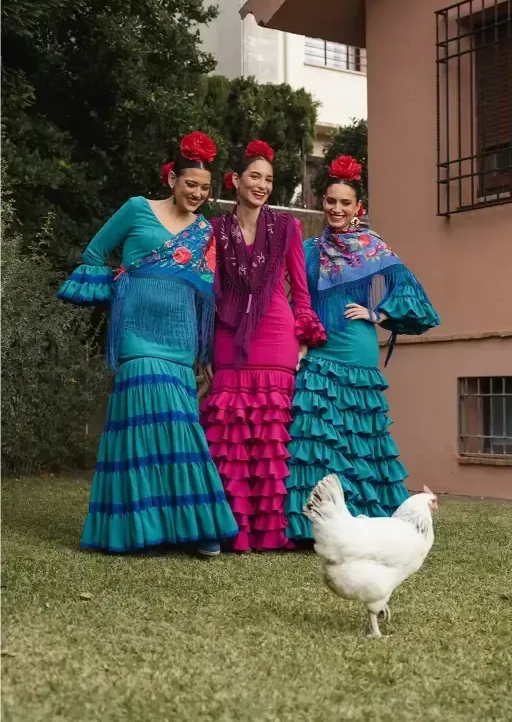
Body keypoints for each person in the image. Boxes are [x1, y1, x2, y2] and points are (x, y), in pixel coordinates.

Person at [58, 132, 238, 555]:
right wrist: (119, 285)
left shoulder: (205, 233)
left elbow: (206, 296)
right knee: (139, 430)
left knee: (180, 429)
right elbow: (94, 252)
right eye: (190, 183)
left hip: (179, 340)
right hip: (137, 334)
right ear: (173, 178)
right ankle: (139, 530)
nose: (196, 193)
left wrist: (205, 354)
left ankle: (196, 529)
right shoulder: (138, 209)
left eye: (204, 188)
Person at [285, 155, 440, 542]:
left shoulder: (373, 247)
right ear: (322, 203)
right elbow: (293, 302)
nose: (337, 209)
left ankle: (362, 526)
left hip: (357, 352)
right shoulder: (307, 249)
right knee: (313, 437)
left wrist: (378, 313)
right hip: (318, 352)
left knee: (355, 439)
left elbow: (414, 296)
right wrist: (297, 339)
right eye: (331, 201)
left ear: (359, 208)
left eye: (345, 203)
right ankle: (309, 528)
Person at [200, 140, 325, 552]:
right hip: (228, 330)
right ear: (236, 180)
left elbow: (300, 290)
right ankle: (229, 528)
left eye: (269, 179)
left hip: (275, 330)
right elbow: (205, 284)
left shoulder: (287, 227)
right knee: (229, 432)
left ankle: (271, 533)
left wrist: (304, 332)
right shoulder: (214, 229)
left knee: (272, 435)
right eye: (255, 176)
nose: (262, 185)